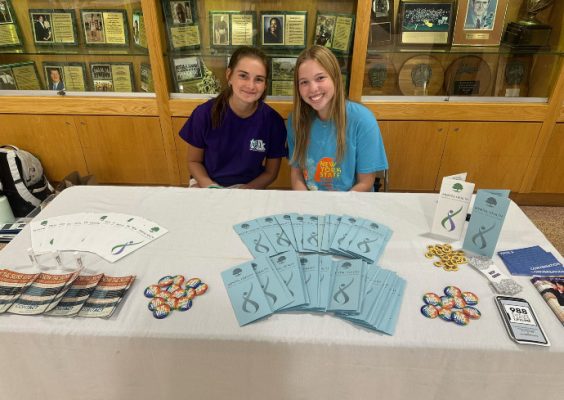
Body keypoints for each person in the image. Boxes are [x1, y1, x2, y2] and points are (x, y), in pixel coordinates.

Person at [179, 46, 287, 189]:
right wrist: (210, 186)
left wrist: (242, 192)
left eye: (259, 79)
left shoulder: (274, 122)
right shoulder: (204, 114)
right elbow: (194, 161)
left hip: (248, 187)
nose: (251, 85)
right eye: (243, 76)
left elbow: (270, 173)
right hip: (206, 182)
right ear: (229, 75)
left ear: (265, 84)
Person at [287, 45, 388, 191]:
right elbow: (296, 174)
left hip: (352, 202)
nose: (313, 88)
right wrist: (307, 204)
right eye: (304, 82)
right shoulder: (296, 120)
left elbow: (366, 182)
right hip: (311, 204)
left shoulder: (362, 120)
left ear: (335, 77)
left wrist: (337, 210)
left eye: (320, 78)